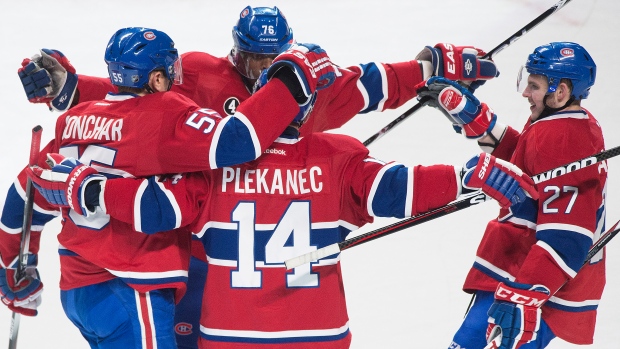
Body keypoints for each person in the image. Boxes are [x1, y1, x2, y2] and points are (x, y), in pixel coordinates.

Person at [16, 6, 500, 347]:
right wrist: (74, 87)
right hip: (196, 246)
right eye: (252, 59)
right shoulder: (202, 75)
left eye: (272, 60)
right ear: (235, 50)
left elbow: (372, 82)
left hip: (226, 232)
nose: (262, 70)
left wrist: (426, 68)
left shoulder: (309, 81)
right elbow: (138, 97)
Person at [0, 26, 336, 348]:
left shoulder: (74, 119)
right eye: (169, 70)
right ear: (157, 78)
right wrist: (294, 76)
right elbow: (237, 140)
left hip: (78, 292)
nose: (176, 79)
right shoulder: (164, 113)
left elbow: (27, 192)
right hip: (131, 287)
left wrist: (14, 265)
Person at [416, 42, 607, 349]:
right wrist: (476, 120)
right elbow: (529, 161)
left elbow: (568, 235)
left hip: (534, 283)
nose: (525, 93)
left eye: (534, 85)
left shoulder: (566, 138)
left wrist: (522, 296)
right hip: (521, 272)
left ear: (560, 91)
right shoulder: (561, 123)